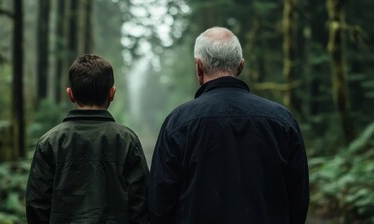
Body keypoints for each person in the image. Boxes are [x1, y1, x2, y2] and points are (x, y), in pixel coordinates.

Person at [148, 27, 309, 224]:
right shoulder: (282, 121)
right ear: (240, 66)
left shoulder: (178, 122)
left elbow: (159, 203)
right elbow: (298, 199)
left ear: (198, 67)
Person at [26, 54, 149, 224]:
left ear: (70, 94)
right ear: (112, 93)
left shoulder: (49, 143)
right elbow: (141, 204)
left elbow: (36, 205)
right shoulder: (127, 140)